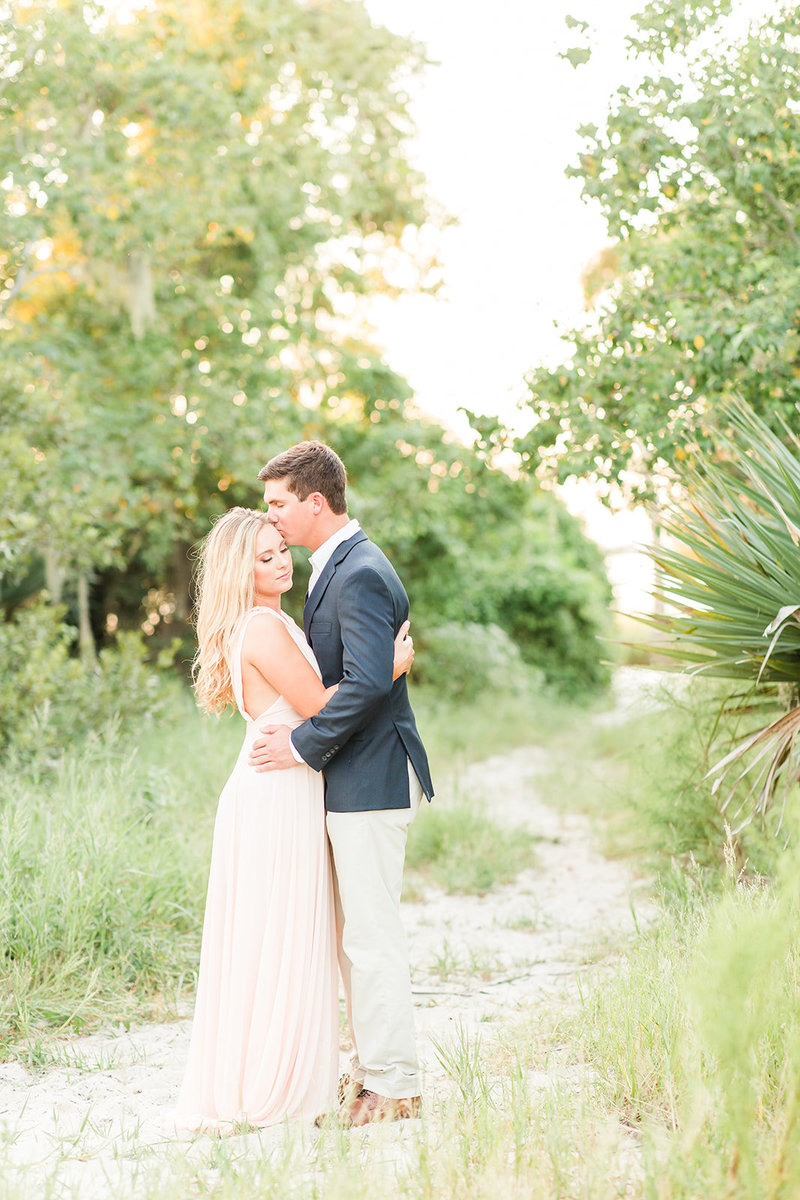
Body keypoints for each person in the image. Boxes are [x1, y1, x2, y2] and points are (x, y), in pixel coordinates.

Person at [173, 507, 413, 1131]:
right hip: (277, 791)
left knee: (277, 935)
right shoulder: (263, 628)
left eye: (281, 549)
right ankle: (273, 1081)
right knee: (280, 936)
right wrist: (386, 669)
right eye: (265, 557)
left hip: (284, 784)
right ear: (239, 570)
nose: (282, 562)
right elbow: (318, 706)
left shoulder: (270, 620)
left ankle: (278, 1070)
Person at [249, 441, 434, 1127]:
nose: (272, 517)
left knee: (371, 936)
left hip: (373, 775)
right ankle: (369, 1074)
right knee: (355, 936)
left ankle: (395, 1086)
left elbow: (363, 686)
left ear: (316, 501)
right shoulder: (337, 565)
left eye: (279, 504)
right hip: (354, 775)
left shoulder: (357, 571)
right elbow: (364, 676)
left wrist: (299, 746)